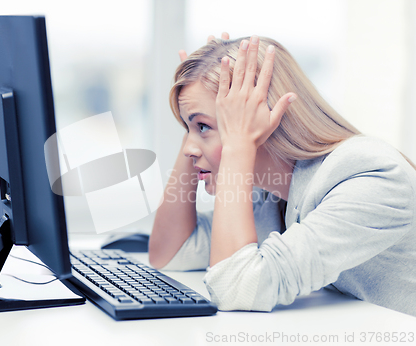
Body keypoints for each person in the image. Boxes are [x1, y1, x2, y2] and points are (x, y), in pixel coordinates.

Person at [148, 33, 416, 316]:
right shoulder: (270, 190)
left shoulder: (370, 176)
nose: (189, 149)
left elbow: (237, 288)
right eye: (187, 129)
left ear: (260, 119)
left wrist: (237, 145)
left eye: (203, 127)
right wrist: (192, 115)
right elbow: (169, 252)